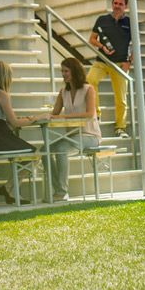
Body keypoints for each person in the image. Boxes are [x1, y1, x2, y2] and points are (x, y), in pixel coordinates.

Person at [0, 60, 45, 205]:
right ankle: (8, 187)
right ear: (6, 76)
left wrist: (22, 119)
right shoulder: (2, 94)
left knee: (26, 156)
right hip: (0, 136)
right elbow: (14, 123)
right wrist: (36, 118)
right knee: (35, 154)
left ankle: (10, 191)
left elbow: (0, 119)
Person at [47, 57, 102, 201]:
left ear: (74, 71)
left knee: (61, 148)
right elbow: (54, 114)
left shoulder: (88, 89)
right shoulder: (63, 92)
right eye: (62, 71)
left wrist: (62, 118)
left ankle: (62, 192)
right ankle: (58, 188)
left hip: (90, 136)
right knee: (44, 150)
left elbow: (90, 114)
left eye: (66, 71)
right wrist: (36, 117)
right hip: (72, 136)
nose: (63, 74)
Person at [87, 0, 131, 138]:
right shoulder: (102, 20)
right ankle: (96, 114)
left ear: (126, 6)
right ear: (112, 4)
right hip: (102, 61)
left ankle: (120, 127)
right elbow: (92, 39)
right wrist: (102, 46)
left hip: (120, 64)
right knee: (90, 80)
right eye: (115, 3)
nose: (117, 6)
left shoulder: (129, 23)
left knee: (121, 99)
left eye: (120, 4)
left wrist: (129, 62)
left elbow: (136, 44)